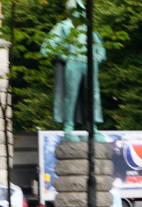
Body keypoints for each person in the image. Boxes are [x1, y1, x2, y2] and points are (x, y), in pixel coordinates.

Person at [42, 0, 105, 141]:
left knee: (92, 96)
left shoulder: (88, 27)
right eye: (75, 9)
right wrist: (65, 57)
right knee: (71, 96)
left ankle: (92, 126)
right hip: (72, 63)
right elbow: (49, 46)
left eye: (80, 9)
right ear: (70, 10)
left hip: (90, 64)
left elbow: (100, 47)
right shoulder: (62, 26)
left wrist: (98, 57)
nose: (78, 11)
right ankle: (68, 127)